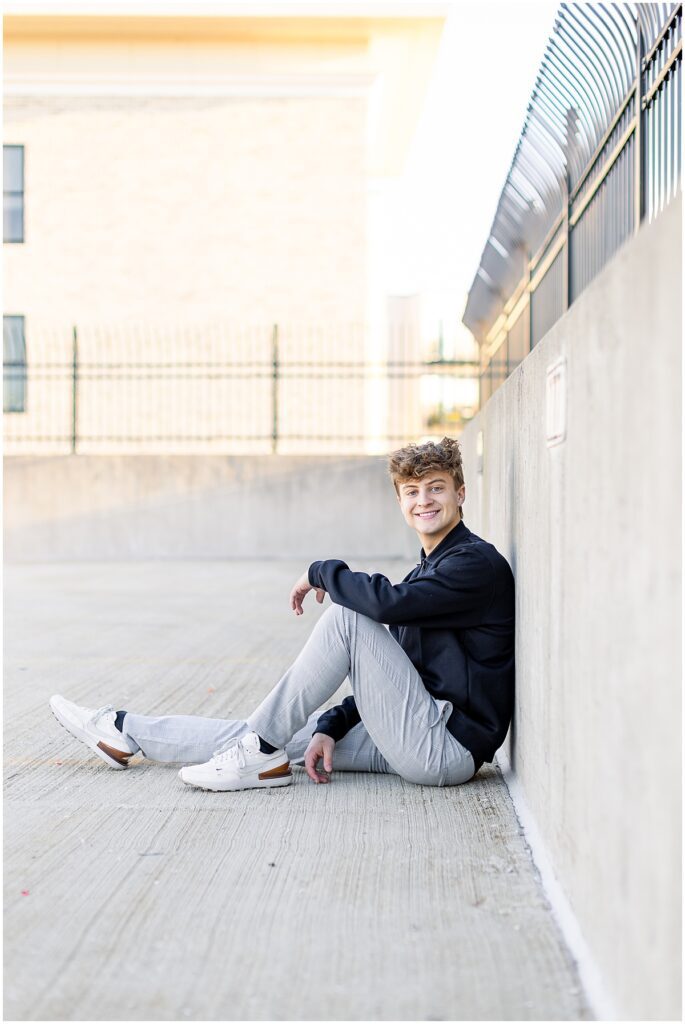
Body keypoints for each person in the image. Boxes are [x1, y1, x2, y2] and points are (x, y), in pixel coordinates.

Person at [50, 437, 515, 792]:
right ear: (400, 502)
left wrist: (320, 571)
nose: (424, 501)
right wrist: (331, 727)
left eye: (436, 488)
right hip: (413, 732)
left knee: (347, 618)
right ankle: (123, 731)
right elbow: (404, 672)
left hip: (444, 748)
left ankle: (258, 755)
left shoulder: (474, 564)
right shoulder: (431, 571)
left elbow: (383, 605)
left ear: (461, 493)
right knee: (262, 733)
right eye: (411, 491)